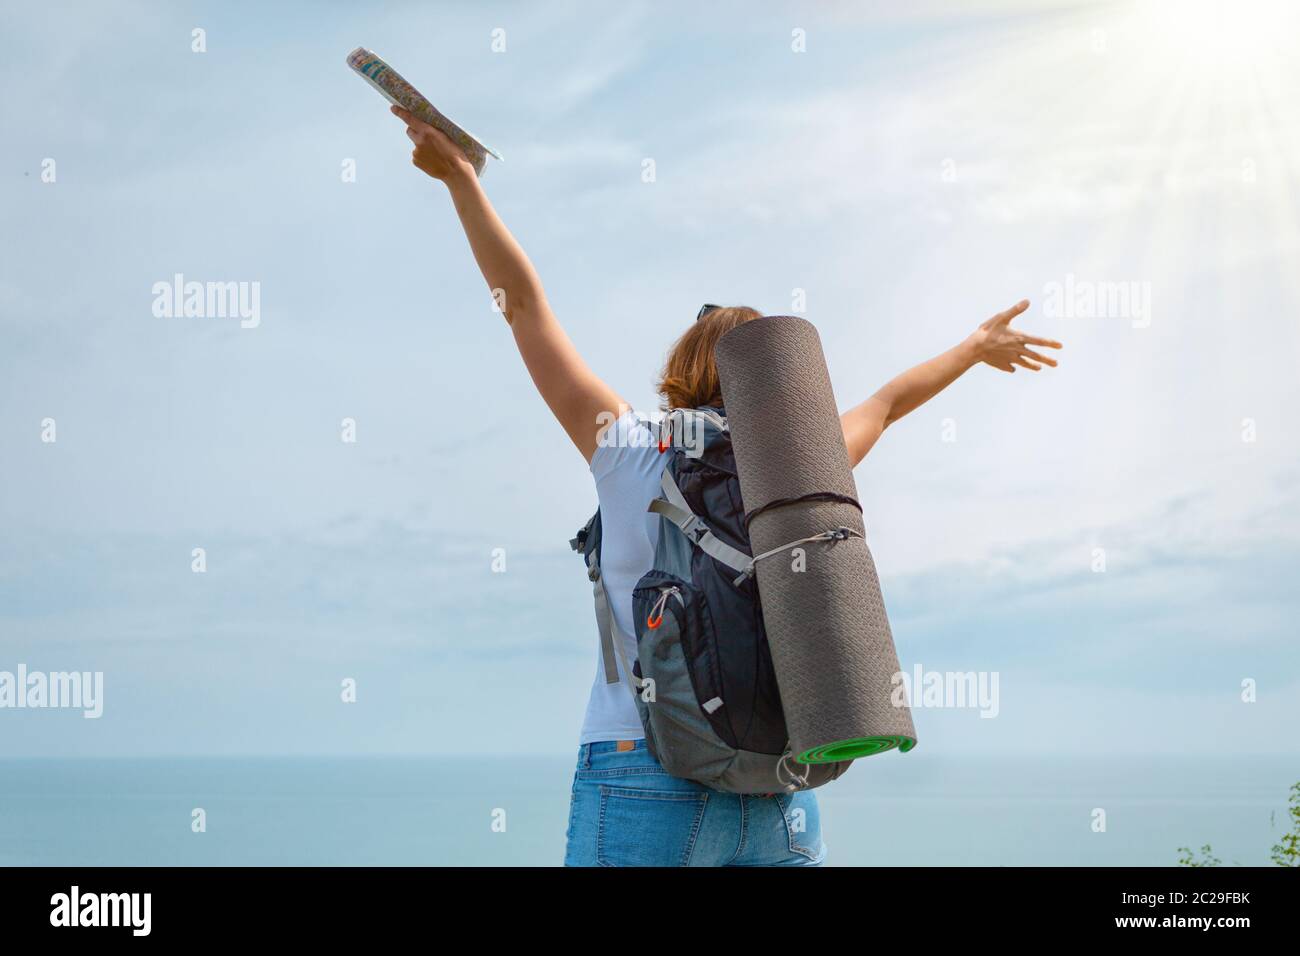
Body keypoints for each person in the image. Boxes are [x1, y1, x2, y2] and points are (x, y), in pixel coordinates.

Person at [390, 105, 1063, 866]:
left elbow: (524, 307)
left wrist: (463, 183)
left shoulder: (631, 448)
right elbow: (890, 402)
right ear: (779, 385)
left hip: (643, 768)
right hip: (782, 788)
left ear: (683, 372)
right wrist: (973, 348)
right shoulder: (811, 462)